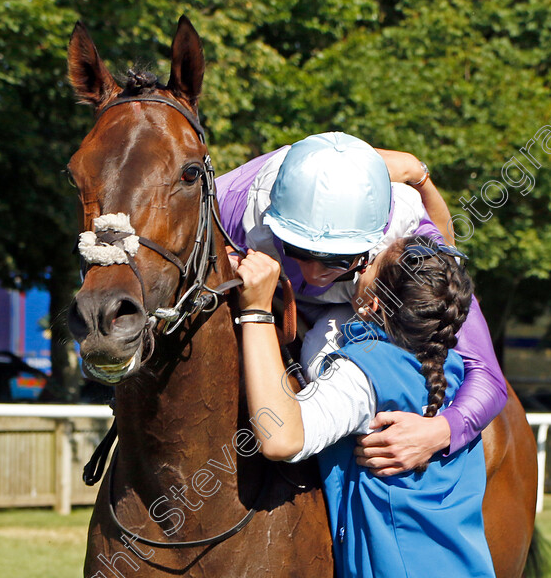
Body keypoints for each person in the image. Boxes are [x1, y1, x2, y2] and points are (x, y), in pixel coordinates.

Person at [216, 132, 506, 472]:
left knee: (329, 359)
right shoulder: (231, 201)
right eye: (298, 252)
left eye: (336, 259)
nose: (313, 273)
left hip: (349, 321)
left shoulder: (411, 246)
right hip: (294, 298)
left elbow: (487, 374)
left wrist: (439, 432)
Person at [236, 235, 495, 577]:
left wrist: (256, 310)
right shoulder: (452, 369)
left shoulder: (362, 373)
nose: (362, 265)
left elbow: (281, 438)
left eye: (371, 265)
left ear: (371, 305)